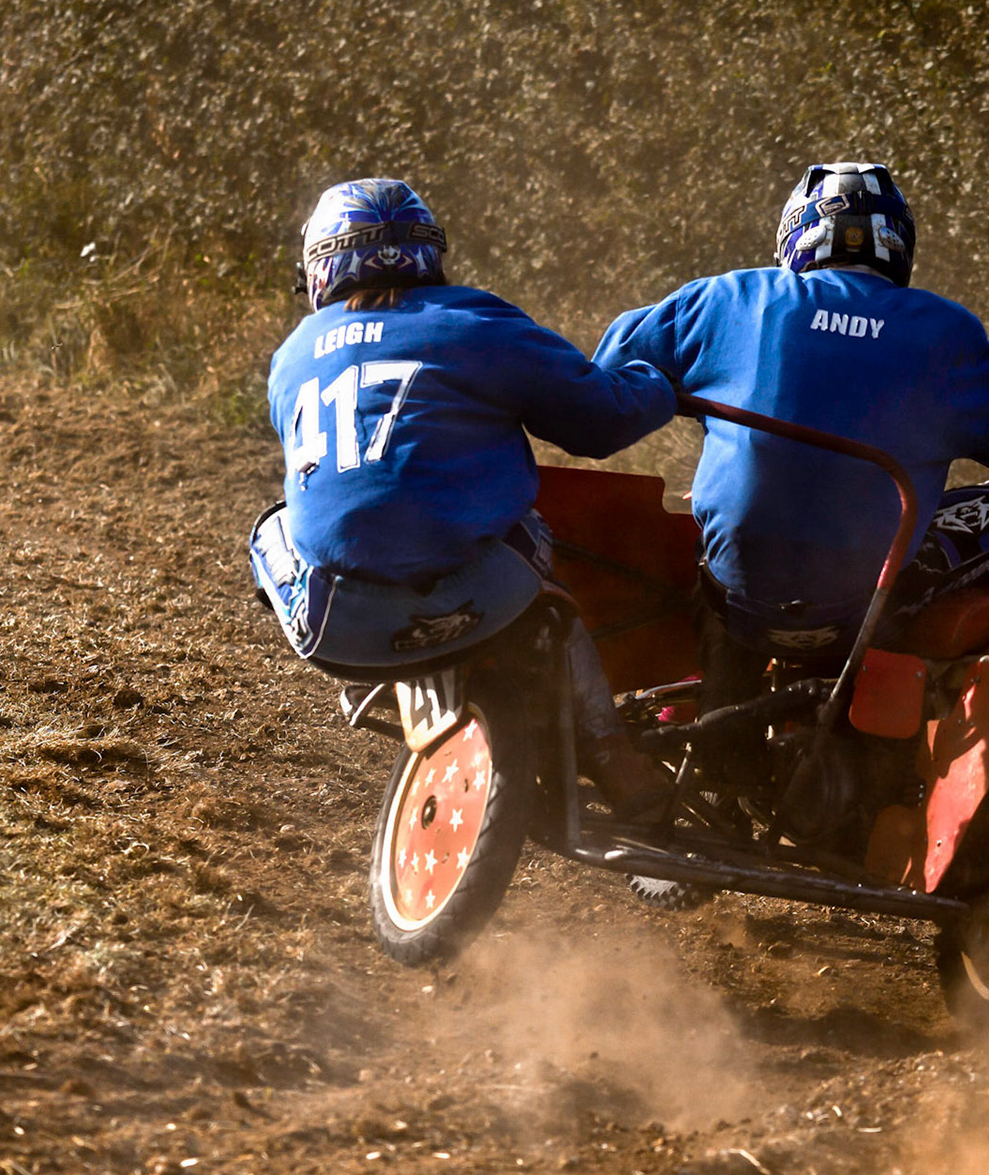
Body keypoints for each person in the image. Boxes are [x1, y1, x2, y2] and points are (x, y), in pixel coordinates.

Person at [593, 162, 989, 739]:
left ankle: (718, 721)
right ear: (897, 244)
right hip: (866, 605)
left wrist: (683, 395)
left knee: (716, 536)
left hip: (739, 594)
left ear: (793, 234)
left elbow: (604, 384)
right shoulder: (945, 331)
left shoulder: (726, 298)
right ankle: (965, 726)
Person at [251, 177, 675, 815]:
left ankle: (387, 685)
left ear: (322, 264)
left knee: (273, 528)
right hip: (485, 597)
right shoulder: (477, 321)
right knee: (528, 511)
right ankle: (608, 747)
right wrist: (661, 377)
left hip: (338, 624)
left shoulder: (289, 359)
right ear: (429, 253)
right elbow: (603, 423)